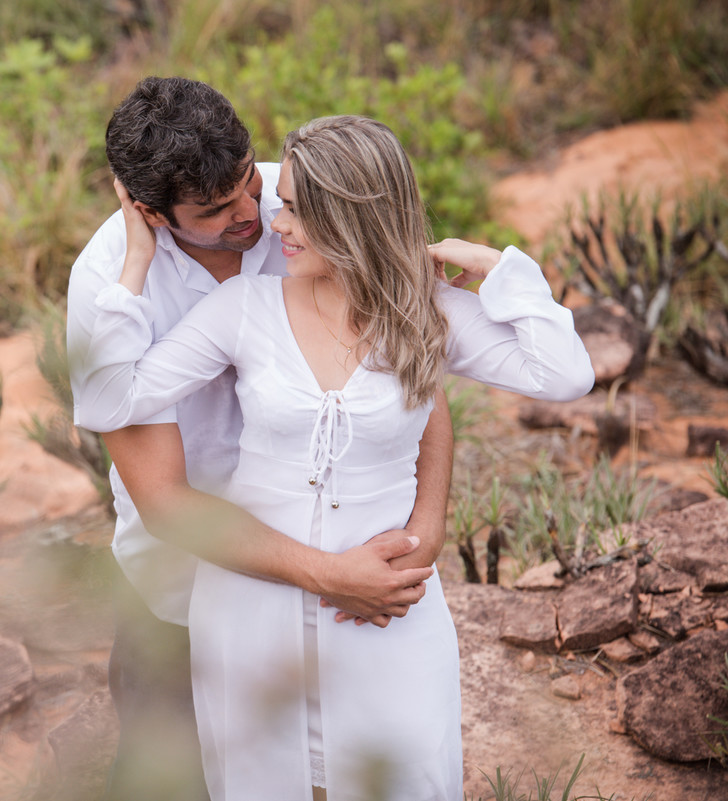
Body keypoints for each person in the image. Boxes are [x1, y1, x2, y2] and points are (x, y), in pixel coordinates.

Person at [77, 115, 594, 800]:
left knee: (403, 774)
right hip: (247, 604)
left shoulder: (424, 313)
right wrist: (136, 266)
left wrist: (498, 267)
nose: (270, 219)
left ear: (349, 218)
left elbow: (565, 375)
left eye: (291, 206)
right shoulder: (242, 307)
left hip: (385, 609)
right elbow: (111, 398)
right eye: (280, 201)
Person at [67, 78, 455, 801]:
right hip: (189, 583)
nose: (254, 214)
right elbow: (168, 504)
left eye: (250, 181)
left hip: (356, 572)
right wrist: (332, 575)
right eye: (216, 211)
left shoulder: (312, 205)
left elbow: (414, 373)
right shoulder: (105, 288)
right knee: (172, 777)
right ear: (148, 212)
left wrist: (425, 527)